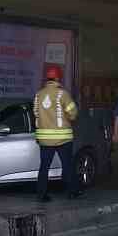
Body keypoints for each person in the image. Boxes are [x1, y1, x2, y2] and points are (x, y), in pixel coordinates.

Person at [33, 64, 80, 201]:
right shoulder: (62, 93)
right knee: (67, 165)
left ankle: (41, 195)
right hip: (62, 138)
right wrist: (68, 118)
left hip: (44, 138)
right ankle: (72, 191)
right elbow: (73, 113)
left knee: (44, 167)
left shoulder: (39, 95)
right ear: (59, 78)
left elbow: (36, 113)